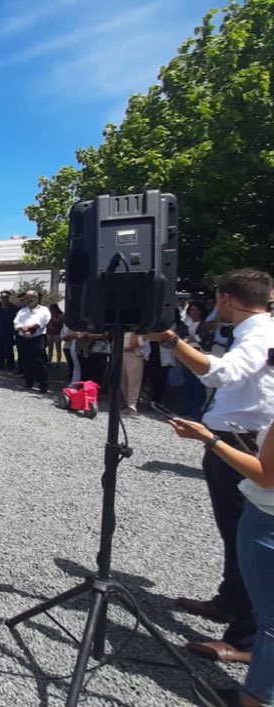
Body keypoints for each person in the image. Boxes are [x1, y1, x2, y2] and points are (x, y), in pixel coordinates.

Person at [144, 269, 274, 666]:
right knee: (233, 531)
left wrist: (170, 340)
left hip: (241, 441)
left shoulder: (256, 332)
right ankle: (230, 601)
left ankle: (247, 637)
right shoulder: (257, 329)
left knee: (245, 536)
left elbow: (219, 373)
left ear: (225, 298)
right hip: (238, 436)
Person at [165, 416, 274, 707]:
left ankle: (255, 700)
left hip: (268, 519)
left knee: (270, 620)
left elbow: (266, 476)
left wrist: (209, 439)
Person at [13, 290, 51, 393]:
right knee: (26, 361)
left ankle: (43, 385)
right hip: (23, 338)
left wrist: (29, 328)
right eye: (26, 298)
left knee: (39, 361)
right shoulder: (22, 311)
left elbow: (43, 322)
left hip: (37, 338)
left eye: (30, 298)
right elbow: (16, 323)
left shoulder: (44, 310)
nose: (28, 300)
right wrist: (23, 329)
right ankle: (28, 382)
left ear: (36, 298)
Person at [0, 291, 18, 371]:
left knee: (9, 348)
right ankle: (0, 365)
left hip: (9, 330)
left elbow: (16, 319)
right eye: (2, 297)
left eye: (6, 297)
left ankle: (10, 366)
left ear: (8, 297)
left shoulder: (13, 307)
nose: (4, 299)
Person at [121, 331, 147, 413]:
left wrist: (135, 343)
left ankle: (132, 404)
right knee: (123, 380)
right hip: (121, 352)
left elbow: (144, 338)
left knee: (134, 380)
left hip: (135, 353)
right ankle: (126, 401)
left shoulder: (141, 326)